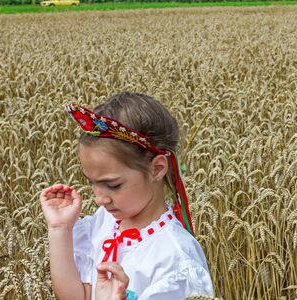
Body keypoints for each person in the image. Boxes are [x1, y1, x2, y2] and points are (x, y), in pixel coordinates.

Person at [40, 92, 214, 300]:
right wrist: (60, 229)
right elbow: (79, 296)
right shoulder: (105, 221)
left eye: (113, 185)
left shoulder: (174, 259)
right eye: (92, 183)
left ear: (156, 169)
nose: (99, 199)